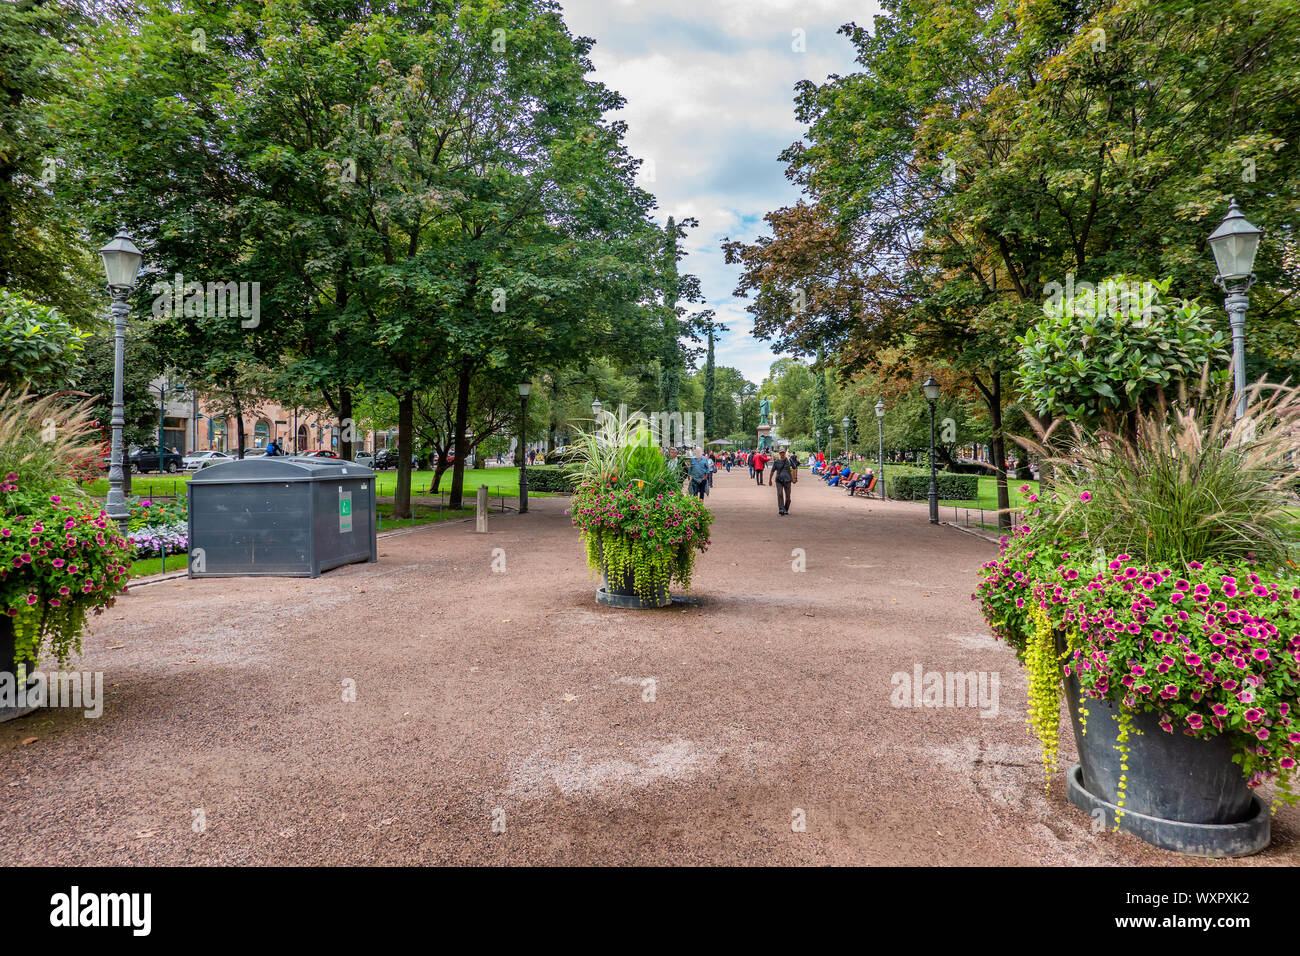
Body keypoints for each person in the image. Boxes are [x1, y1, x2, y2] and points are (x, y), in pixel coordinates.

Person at [771, 448, 797, 515]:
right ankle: (781, 509)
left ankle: (785, 509)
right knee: (780, 494)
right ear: (779, 453)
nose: (782, 454)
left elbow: (795, 468)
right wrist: (770, 479)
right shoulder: (776, 461)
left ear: (785, 453)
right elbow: (772, 471)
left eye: (783, 453)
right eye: (781, 453)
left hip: (788, 480)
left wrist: (795, 478)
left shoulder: (789, 460)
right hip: (779, 480)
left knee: (788, 497)